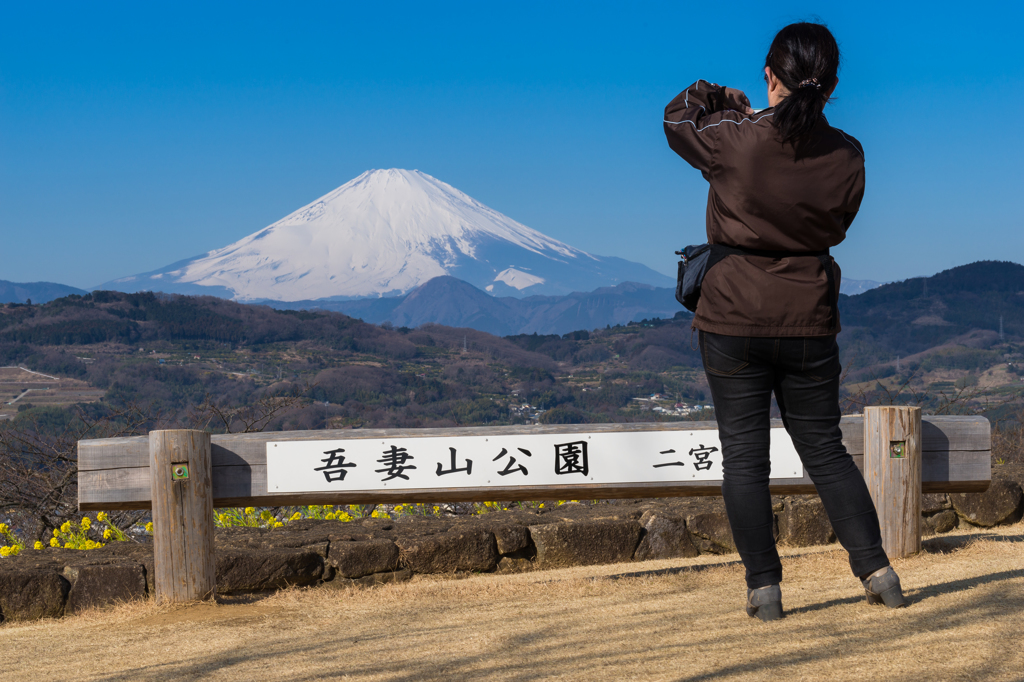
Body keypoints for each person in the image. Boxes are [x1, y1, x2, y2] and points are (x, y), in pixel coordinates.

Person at [663, 22, 906, 622]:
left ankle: (765, 592)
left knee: (744, 459)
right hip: (809, 315)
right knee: (826, 450)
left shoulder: (735, 139)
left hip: (732, 315)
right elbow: (839, 227)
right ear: (832, 87)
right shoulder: (848, 154)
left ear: (770, 75)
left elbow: (675, 118)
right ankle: (877, 571)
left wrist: (719, 94)